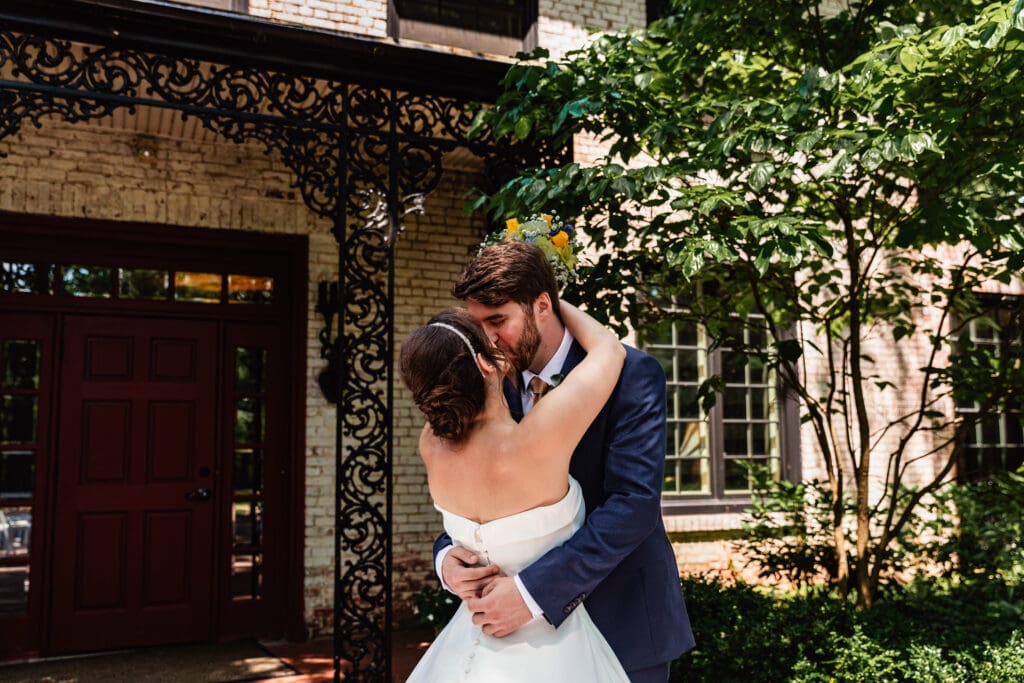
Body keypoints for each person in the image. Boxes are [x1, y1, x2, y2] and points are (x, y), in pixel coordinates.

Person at [438, 240, 695, 682]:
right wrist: (447, 559)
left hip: (621, 623)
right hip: (510, 642)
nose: (489, 340)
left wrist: (531, 593)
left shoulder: (632, 374)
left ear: (542, 305)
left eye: (498, 320)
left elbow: (632, 506)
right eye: (479, 325)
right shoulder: (483, 385)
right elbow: (461, 482)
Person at [401, 302, 630, 681]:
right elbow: (609, 348)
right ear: (487, 364)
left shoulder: (432, 446)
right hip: (556, 656)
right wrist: (547, 295)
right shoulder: (540, 436)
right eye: (489, 339)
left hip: (466, 645)